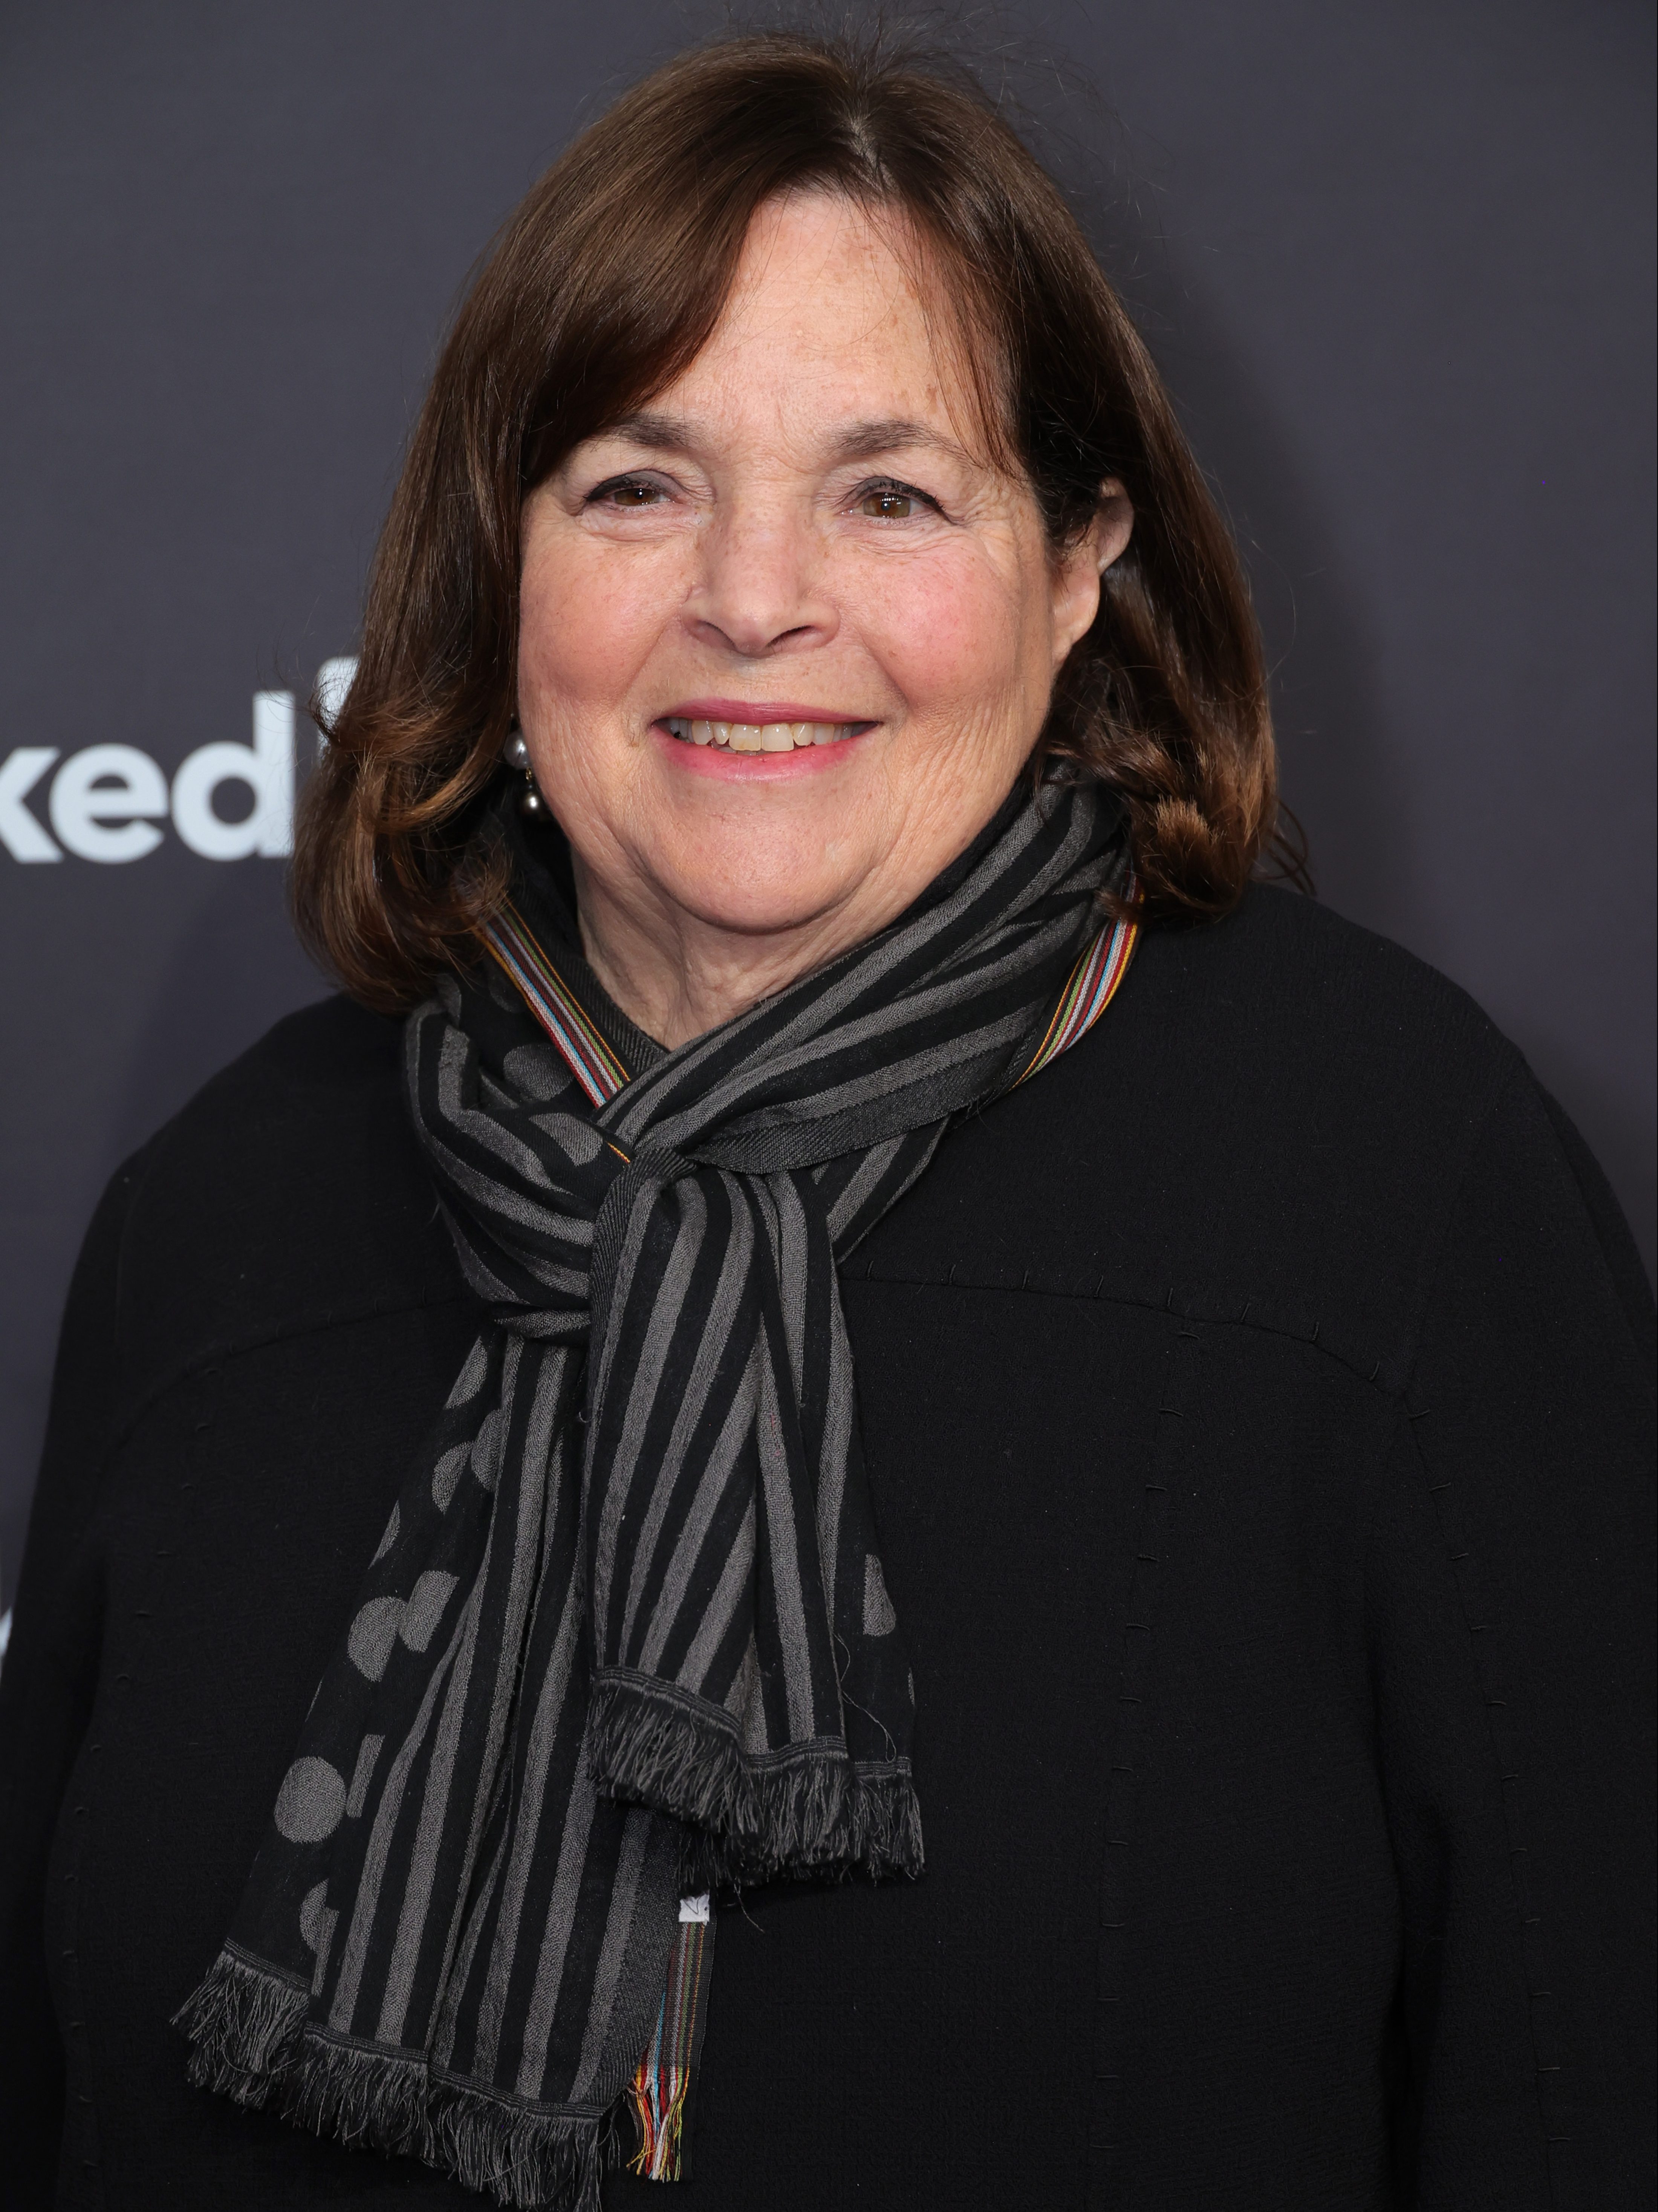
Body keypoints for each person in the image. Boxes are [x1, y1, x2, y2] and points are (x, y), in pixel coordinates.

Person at [0, 29, 1650, 2212]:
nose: (754, 598)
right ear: (502, 582)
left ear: (1079, 571)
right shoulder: (224, 1222)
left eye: (890, 492)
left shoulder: (1395, 1184)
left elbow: (1579, 2085)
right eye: (635, 484)